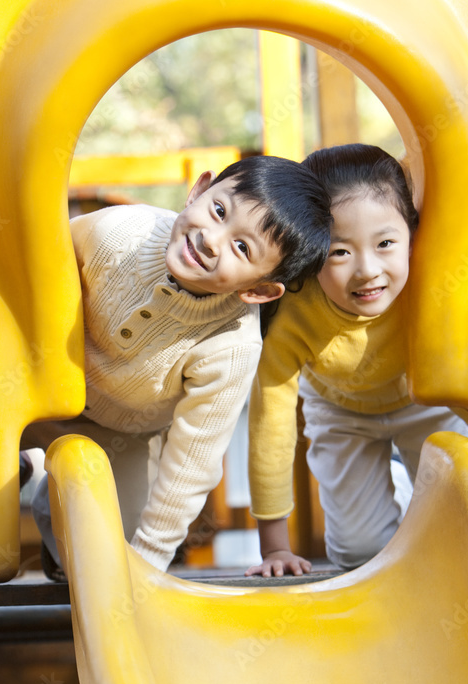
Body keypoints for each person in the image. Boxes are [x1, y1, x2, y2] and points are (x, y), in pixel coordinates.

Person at [24, 155, 331, 575]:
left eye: (242, 248)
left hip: (118, 435)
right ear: (199, 191)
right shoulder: (117, 234)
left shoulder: (232, 346)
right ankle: (21, 464)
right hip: (27, 390)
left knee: (113, 559)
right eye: (219, 211)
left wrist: (146, 565)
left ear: (258, 291)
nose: (211, 240)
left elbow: (191, 465)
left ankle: (48, 487)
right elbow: (28, 261)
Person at [246, 143, 468, 578]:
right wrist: (274, 547)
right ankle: (396, 490)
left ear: (413, 232)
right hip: (341, 410)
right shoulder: (292, 311)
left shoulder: (437, 276)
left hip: (426, 402)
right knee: (359, 553)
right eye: (339, 252)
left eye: (386, 243)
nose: (368, 270)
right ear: (312, 251)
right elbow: (270, 423)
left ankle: (407, 490)